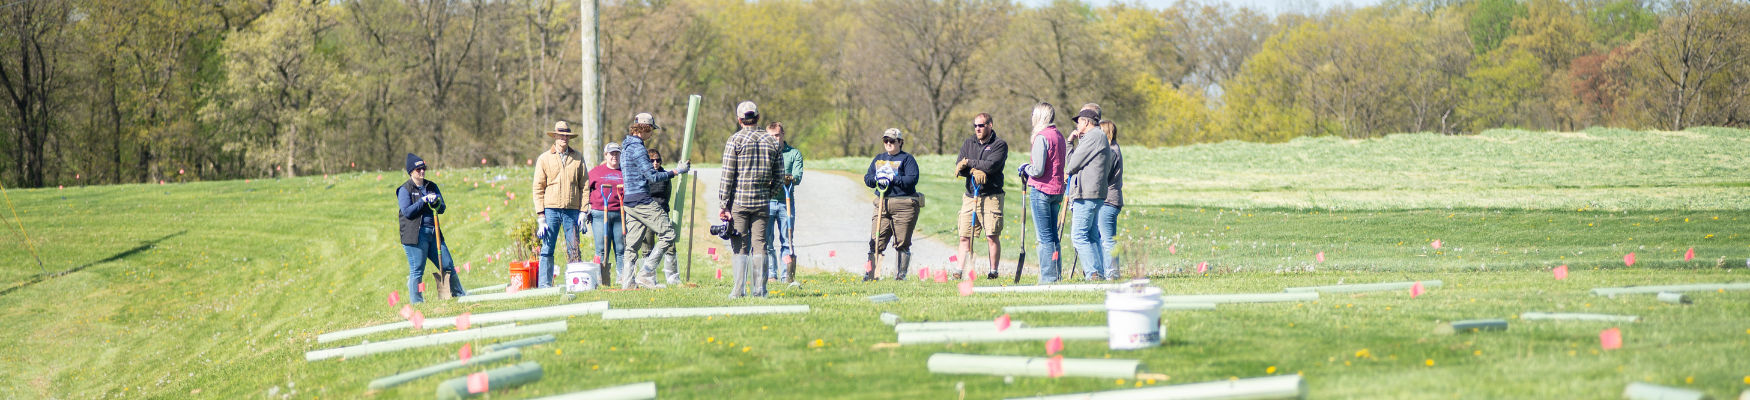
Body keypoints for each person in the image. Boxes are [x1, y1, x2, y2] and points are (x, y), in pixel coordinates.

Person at [617, 113, 690, 289]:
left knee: (632, 245)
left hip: (629, 202)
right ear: (646, 128)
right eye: (651, 130)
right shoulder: (638, 148)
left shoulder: (625, 148)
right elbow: (652, 176)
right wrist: (677, 171)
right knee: (669, 234)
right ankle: (646, 272)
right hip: (642, 200)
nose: (651, 134)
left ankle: (627, 283)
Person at [718, 101, 783, 298]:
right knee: (761, 244)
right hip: (762, 202)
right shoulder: (772, 141)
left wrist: (723, 204)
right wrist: (768, 193)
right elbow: (780, 177)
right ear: (758, 117)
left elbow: (727, 174)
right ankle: (760, 290)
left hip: (739, 201)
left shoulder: (735, 140)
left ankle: (738, 290)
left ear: (739, 119)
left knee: (740, 245)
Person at [398, 153, 466, 302]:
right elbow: (407, 212)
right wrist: (422, 200)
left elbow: (441, 208)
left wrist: (435, 201)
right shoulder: (405, 189)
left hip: (434, 233)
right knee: (417, 270)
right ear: (411, 172)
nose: (422, 172)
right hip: (415, 236)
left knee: (448, 264)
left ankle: (459, 294)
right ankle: (417, 303)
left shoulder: (431, 186)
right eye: (418, 170)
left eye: (424, 169)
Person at [531, 121, 590, 289]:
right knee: (547, 248)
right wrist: (540, 216)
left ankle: (575, 282)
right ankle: (544, 284)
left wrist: (583, 211)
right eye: (561, 135)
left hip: (572, 210)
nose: (564, 138)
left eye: (567, 135)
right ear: (555, 136)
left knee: (574, 247)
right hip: (550, 210)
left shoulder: (577, 157)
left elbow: (584, 185)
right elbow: (538, 187)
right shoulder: (544, 158)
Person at [863, 128, 921, 282]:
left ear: (900, 142)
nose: (888, 143)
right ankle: (871, 275)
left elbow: (912, 179)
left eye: (892, 141)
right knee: (875, 241)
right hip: (882, 203)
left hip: (904, 205)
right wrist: (877, 178)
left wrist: (893, 178)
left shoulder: (907, 159)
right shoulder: (879, 158)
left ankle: (900, 276)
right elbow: (867, 178)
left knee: (902, 242)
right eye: (885, 141)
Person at [1018, 102, 1067, 283]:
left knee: (1045, 238)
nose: (1031, 117)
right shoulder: (1059, 136)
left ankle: (1048, 278)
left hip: (1042, 191)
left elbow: (1037, 170)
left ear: (1039, 116)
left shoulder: (1041, 137)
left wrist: (1025, 167)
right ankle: (1056, 274)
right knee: (1053, 236)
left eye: (1033, 114)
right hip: (1056, 191)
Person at [955, 113, 1007, 280]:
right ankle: (960, 270)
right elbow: (959, 167)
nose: (977, 128)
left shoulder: (1000, 144)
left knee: (991, 235)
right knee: (964, 235)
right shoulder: (968, 143)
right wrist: (973, 170)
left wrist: (969, 162)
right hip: (970, 195)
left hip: (991, 195)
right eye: (975, 126)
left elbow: (991, 166)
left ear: (990, 125)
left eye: (981, 125)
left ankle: (993, 271)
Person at [1064, 104, 1113, 281]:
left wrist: (1071, 145)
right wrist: (1070, 142)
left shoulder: (1094, 136)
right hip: (1092, 194)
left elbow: (1072, 164)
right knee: (1092, 236)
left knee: (1078, 236)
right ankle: (1098, 273)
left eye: (1078, 122)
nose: (1077, 125)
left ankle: (1093, 272)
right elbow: (1072, 162)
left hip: (1087, 194)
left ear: (1086, 122)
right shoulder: (1096, 137)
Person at [764, 122, 804, 283]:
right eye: (771, 136)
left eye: (777, 135)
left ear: (783, 134)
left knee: (787, 240)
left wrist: (788, 178)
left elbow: (797, 177)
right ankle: (771, 274)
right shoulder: (763, 153)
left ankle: (785, 275)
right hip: (766, 202)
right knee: (766, 241)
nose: (775, 138)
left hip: (785, 202)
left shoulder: (793, 154)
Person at [641, 147, 683, 285]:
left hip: (662, 214)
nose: (655, 163)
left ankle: (672, 277)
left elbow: (668, 194)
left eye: (658, 160)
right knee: (647, 246)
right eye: (652, 160)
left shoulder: (665, 175)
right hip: (647, 215)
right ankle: (648, 277)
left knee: (670, 245)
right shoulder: (643, 176)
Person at [588, 142, 627, 279]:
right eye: (612, 154)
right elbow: (585, 190)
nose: (614, 156)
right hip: (599, 213)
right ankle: (600, 276)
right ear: (606, 155)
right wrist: (585, 209)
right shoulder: (595, 172)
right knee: (601, 248)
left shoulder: (625, 172)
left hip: (620, 214)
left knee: (621, 248)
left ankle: (622, 276)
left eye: (617, 153)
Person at [1097, 120, 1124, 280]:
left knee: (1107, 240)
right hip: (1110, 200)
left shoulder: (1112, 152)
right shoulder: (1113, 149)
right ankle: (1108, 271)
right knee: (1105, 239)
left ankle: (1112, 273)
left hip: (1108, 200)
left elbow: (1102, 175)